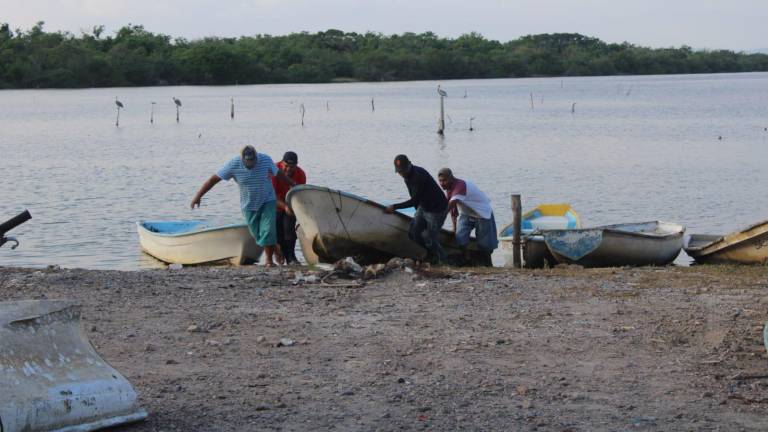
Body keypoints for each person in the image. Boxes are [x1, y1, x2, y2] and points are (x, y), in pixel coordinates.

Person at [191, 145, 295, 267]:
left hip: (268, 200)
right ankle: (275, 247)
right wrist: (198, 196)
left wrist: (292, 184)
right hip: (248, 205)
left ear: (256, 157)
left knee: (268, 231)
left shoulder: (265, 160)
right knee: (257, 235)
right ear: (242, 159)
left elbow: (279, 174)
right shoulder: (233, 164)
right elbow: (214, 179)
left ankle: (269, 261)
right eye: (248, 161)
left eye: (253, 161)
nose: (251, 164)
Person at [385, 155, 448, 264]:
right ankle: (430, 253)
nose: (402, 173)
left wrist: (394, 207)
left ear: (410, 164)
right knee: (413, 233)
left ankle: (443, 260)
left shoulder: (418, 176)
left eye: (404, 170)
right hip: (423, 206)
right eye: (399, 171)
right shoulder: (406, 176)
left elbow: (414, 200)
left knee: (430, 238)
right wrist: (418, 212)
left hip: (437, 209)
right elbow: (415, 197)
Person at [437, 167, 498, 266]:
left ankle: (487, 264)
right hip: (467, 213)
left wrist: (437, 219)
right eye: (440, 181)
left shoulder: (460, 186)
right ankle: (467, 259)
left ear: (451, 178)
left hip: (482, 213)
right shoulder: (449, 189)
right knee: (460, 237)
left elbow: (451, 205)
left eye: (444, 180)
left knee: (485, 244)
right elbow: (453, 211)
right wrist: (454, 227)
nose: (442, 183)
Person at [271, 151, 306, 265]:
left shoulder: (300, 174)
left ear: (296, 165)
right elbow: (271, 196)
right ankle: (279, 254)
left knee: (289, 229)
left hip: (291, 204)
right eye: (286, 166)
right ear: (281, 163)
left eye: (291, 167)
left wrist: (294, 208)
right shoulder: (274, 171)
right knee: (277, 232)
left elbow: (300, 195)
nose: (288, 169)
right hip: (273, 203)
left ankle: (291, 257)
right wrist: (284, 206)